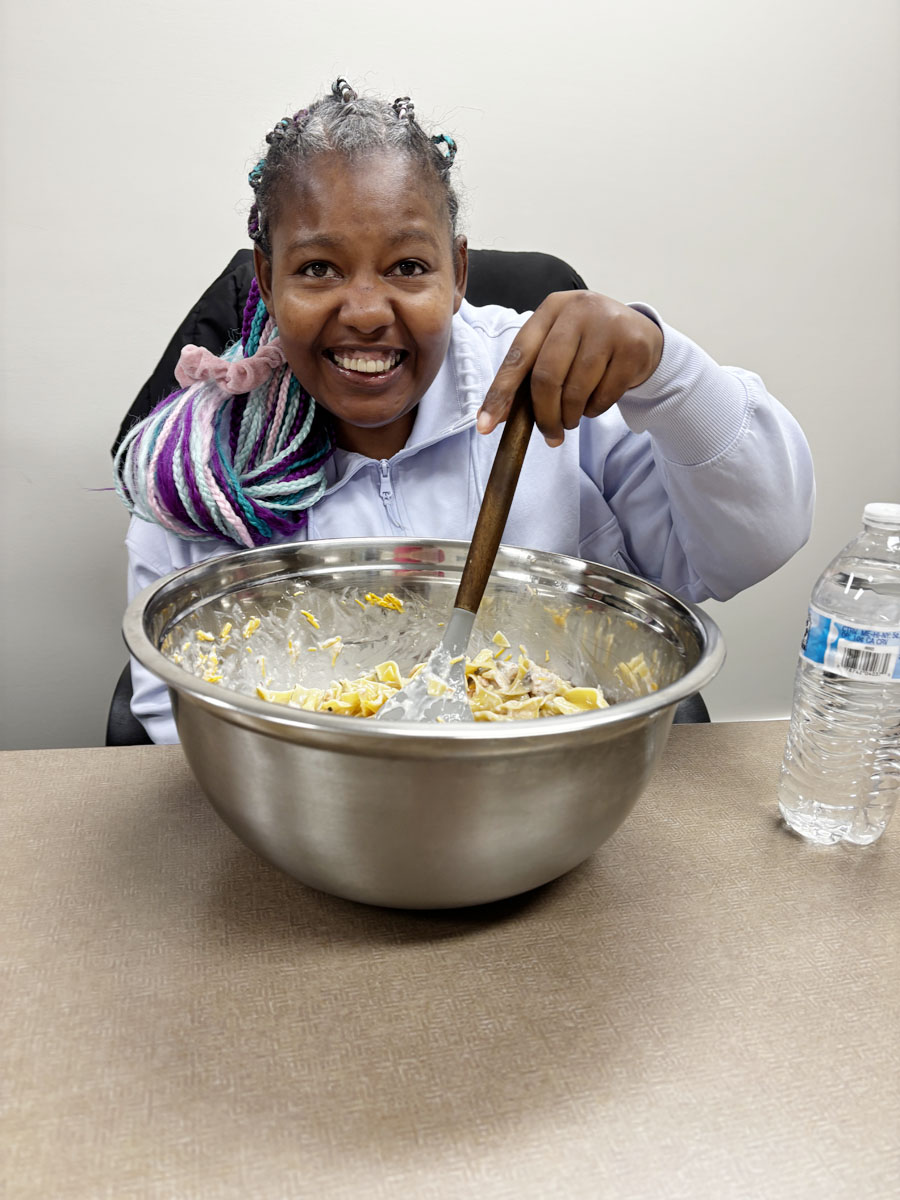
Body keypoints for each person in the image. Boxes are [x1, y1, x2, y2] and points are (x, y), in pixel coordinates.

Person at [115, 78, 815, 744]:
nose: (366, 312)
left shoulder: (551, 383)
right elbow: (177, 710)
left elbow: (760, 539)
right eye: (319, 269)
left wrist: (668, 373)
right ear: (268, 280)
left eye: (408, 267)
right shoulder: (202, 465)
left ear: (458, 274)